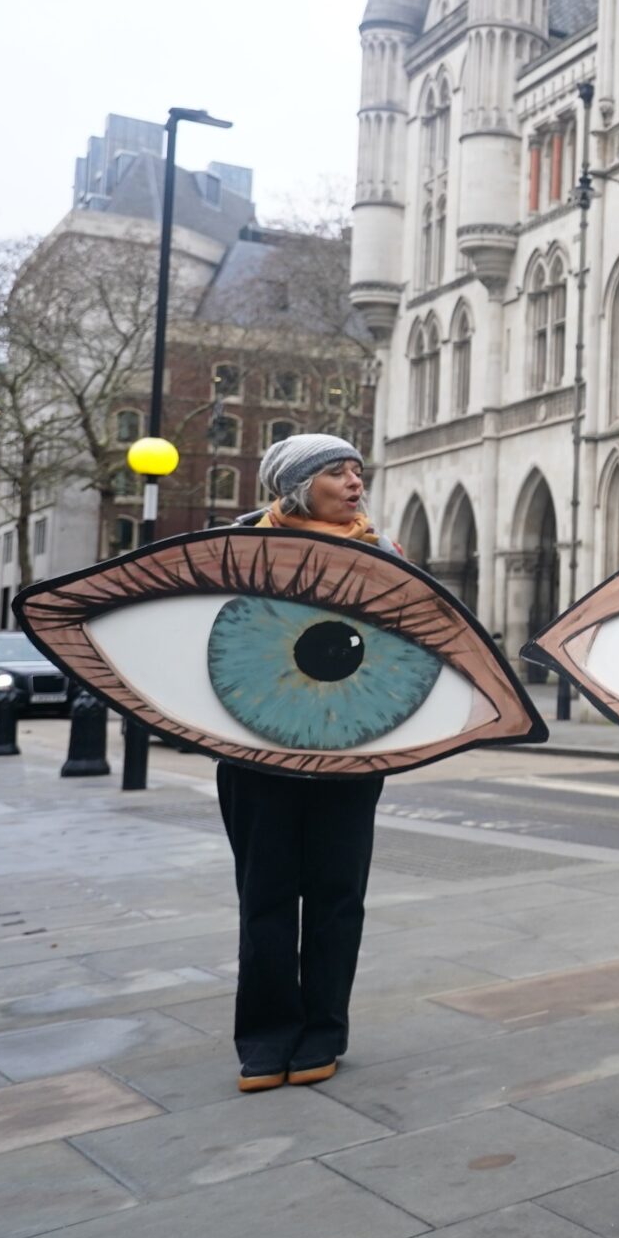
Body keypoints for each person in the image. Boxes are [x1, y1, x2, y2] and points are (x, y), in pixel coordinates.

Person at [223, 435, 392, 1094]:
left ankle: (323, 1027)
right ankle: (266, 1034)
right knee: (265, 894)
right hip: (256, 751)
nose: (355, 482)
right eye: (335, 472)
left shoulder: (383, 555)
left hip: (349, 747)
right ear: (295, 487)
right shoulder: (239, 551)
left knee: (335, 893)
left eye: (357, 470)